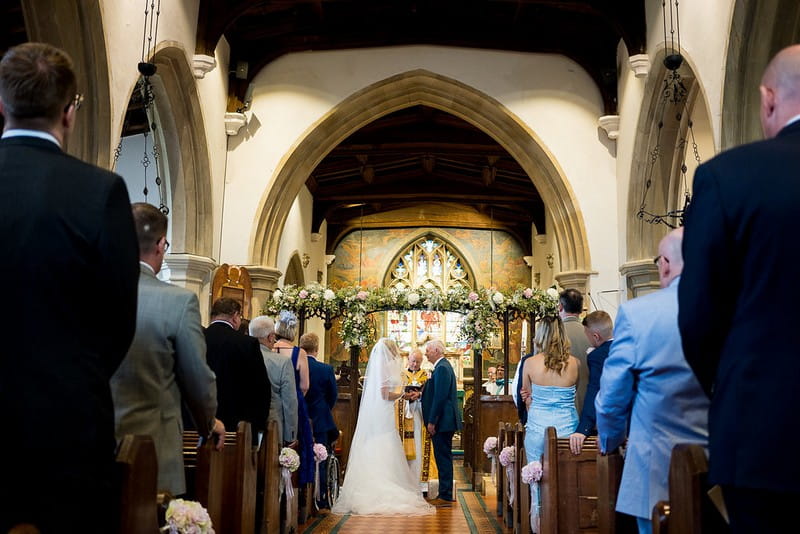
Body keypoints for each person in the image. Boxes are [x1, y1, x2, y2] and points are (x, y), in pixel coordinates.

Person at [0, 42, 140, 533]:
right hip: (64, 429)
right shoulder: (99, 192)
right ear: (69, 112)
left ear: (2, 105)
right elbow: (119, 321)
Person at [678, 44, 800, 533]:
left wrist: (733, 382)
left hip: (764, 433)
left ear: (768, 99)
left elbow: (699, 317)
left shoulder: (729, 177)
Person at [597, 228, 708, 534]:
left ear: (667, 264)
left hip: (656, 467)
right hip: (722, 468)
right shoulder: (734, 309)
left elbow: (611, 397)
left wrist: (610, 440)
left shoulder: (639, 314)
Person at [111, 203, 225, 495]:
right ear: (161, 244)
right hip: (152, 452)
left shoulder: (84, 291)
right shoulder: (178, 302)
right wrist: (208, 423)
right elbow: (198, 379)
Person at [332, 338, 434, 515]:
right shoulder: (384, 367)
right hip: (384, 413)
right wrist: (402, 394)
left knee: (378, 447)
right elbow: (385, 394)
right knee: (385, 447)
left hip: (382, 414)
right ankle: (381, 487)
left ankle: (371, 485)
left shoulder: (380, 366)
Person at [521, 316, 580, 528]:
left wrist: (529, 400)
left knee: (537, 482)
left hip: (538, 427)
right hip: (567, 428)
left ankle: (539, 524)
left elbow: (527, 400)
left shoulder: (530, 364)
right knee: (565, 478)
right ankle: (565, 524)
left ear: (540, 336)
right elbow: (573, 398)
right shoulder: (575, 364)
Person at [204, 298, 271, 440]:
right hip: (235, 426)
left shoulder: (197, 338)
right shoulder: (247, 344)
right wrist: (257, 429)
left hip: (199, 423)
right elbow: (261, 390)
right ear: (235, 317)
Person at [272, 310, 315, 486]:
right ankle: (297, 486)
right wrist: (295, 398)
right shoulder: (300, 353)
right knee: (298, 443)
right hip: (294, 402)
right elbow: (305, 385)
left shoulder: (270, 349)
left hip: (272, 401)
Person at [299, 332, 339, 509]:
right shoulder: (325, 369)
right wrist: (324, 409)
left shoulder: (294, 364)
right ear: (316, 348)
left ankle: (301, 496)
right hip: (320, 419)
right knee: (321, 457)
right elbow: (333, 395)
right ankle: (321, 497)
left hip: (299, 417)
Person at [421, 339, 461, 504]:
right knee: (442, 455)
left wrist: (432, 421)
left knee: (443, 456)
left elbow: (440, 397)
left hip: (442, 421)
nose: (426, 353)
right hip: (442, 420)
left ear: (437, 350)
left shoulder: (442, 368)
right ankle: (444, 492)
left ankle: (445, 494)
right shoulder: (441, 367)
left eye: (428, 350)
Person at [568, 310, 613, 455]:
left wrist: (584, 429)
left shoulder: (597, 356)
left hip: (610, 423)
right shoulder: (627, 348)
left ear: (596, 336)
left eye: (586, 335)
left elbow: (595, 390)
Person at [249, 315, 297, 446]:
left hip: (245, 426)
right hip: (273, 425)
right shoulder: (283, 362)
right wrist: (291, 434)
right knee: (271, 463)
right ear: (270, 337)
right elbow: (289, 401)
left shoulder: (239, 357)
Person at [397, 348, 438, 494]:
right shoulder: (401, 375)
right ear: (408, 360)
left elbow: (431, 394)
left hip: (420, 415)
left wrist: (420, 394)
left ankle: (421, 481)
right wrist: (405, 397)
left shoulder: (427, 376)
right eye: (413, 361)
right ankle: (405, 479)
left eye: (418, 361)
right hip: (406, 415)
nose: (415, 364)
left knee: (420, 444)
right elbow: (396, 395)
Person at [559, 289, 591, 415]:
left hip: (561, 407)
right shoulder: (591, 334)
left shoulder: (553, 334)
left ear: (560, 307)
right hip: (588, 403)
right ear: (581, 309)